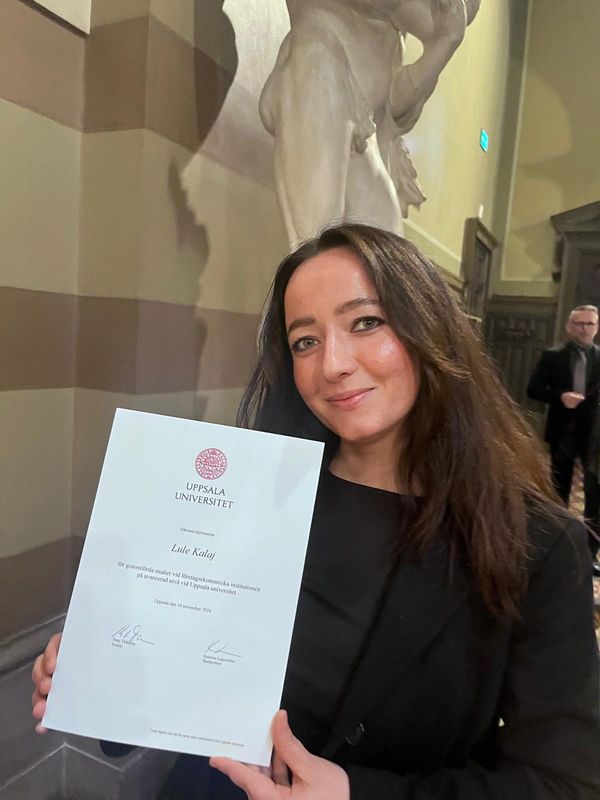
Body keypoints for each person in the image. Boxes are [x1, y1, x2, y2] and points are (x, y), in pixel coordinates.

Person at [33, 225, 600, 799]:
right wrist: (104, 669)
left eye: (366, 322)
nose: (332, 364)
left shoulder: (536, 542)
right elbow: (183, 674)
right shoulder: (250, 495)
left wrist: (356, 795)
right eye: (305, 341)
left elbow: (562, 782)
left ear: (431, 329)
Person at [259, 0, 480, 245]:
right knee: (314, 245)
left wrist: (445, 43)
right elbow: (420, 15)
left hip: (366, 128)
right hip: (317, 77)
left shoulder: (396, 31)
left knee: (386, 255)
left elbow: (396, 106)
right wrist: (442, 25)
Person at [527, 305, 600, 562]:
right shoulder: (553, 356)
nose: (584, 329)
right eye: (579, 323)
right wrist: (560, 397)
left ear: (597, 328)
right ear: (569, 327)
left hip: (594, 436)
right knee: (559, 492)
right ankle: (557, 550)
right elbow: (533, 389)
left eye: (589, 324)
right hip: (563, 432)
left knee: (595, 496)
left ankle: (589, 555)